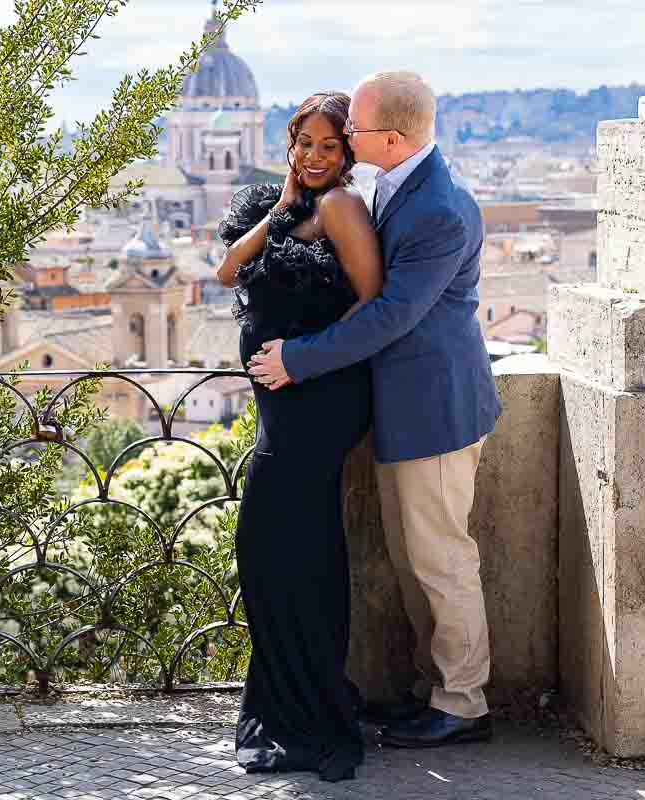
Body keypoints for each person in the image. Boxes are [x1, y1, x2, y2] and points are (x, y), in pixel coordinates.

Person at [248, 71, 502, 749]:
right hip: (406, 406)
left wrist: (297, 359)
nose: (347, 143)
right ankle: (434, 691)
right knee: (417, 558)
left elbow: (391, 313)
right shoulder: (396, 186)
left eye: (355, 131)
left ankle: (463, 704)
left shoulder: (439, 210)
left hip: (435, 407)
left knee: (441, 559)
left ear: (391, 137)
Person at [216, 91, 383, 782]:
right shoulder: (277, 207)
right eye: (304, 144)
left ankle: (311, 704)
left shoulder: (345, 207)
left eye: (328, 146)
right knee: (292, 549)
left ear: (348, 153)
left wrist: (298, 360)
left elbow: (373, 305)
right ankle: (293, 696)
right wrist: (282, 206)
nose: (314, 157)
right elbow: (227, 270)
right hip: (281, 408)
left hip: (319, 402)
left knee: (273, 545)